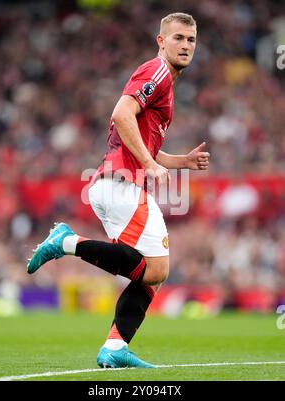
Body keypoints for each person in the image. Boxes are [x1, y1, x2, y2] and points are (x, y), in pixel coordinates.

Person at [27, 12, 210, 369]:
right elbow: (122, 114)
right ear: (161, 41)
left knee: (148, 274)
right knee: (156, 269)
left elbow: (142, 140)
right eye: (178, 38)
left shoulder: (165, 84)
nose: (186, 45)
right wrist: (151, 165)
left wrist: (180, 162)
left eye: (191, 39)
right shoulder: (156, 72)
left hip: (114, 185)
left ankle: (114, 346)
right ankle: (66, 241)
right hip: (122, 184)